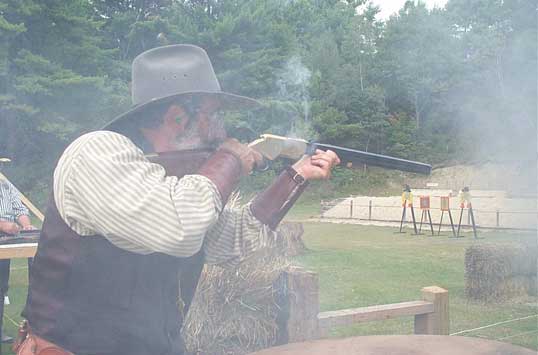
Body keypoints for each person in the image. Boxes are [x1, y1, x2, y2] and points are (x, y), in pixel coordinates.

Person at [16, 44, 340, 355]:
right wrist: (229, 160)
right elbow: (179, 228)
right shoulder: (96, 151)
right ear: (176, 118)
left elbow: (237, 239)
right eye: (214, 116)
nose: (222, 129)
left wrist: (295, 176)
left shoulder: (179, 183)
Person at [0, 159, 34, 346]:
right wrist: (3, 224)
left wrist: (26, 224)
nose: (1, 169)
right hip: (2, 232)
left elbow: (19, 207)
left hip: (7, 238)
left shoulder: (6, 185)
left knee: (1, 285)